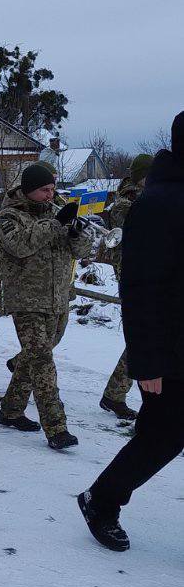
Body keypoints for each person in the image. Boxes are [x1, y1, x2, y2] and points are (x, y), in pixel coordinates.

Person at [79, 116, 184, 552]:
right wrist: (146, 363)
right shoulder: (159, 203)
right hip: (171, 349)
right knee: (163, 437)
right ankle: (101, 500)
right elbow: (140, 289)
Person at [0, 162, 83, 449]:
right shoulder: (9, 216)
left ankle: (10, 411)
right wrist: (56, 224)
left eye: (53, 189)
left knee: (33, 358)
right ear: (29, 191)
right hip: (27, 301)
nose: (50, 195)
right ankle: (56, 428)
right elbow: (21, 245)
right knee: (43, 363)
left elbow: (81, 252)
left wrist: (76, 234)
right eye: (45, 190)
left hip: (57, 301)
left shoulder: (55, 215)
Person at [100, 154, 152, 420]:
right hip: (135, 278)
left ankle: (115, 394)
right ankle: (115, 395)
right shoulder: (124, 204)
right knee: (144, 337)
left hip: (152, 276)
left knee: (148, 338)